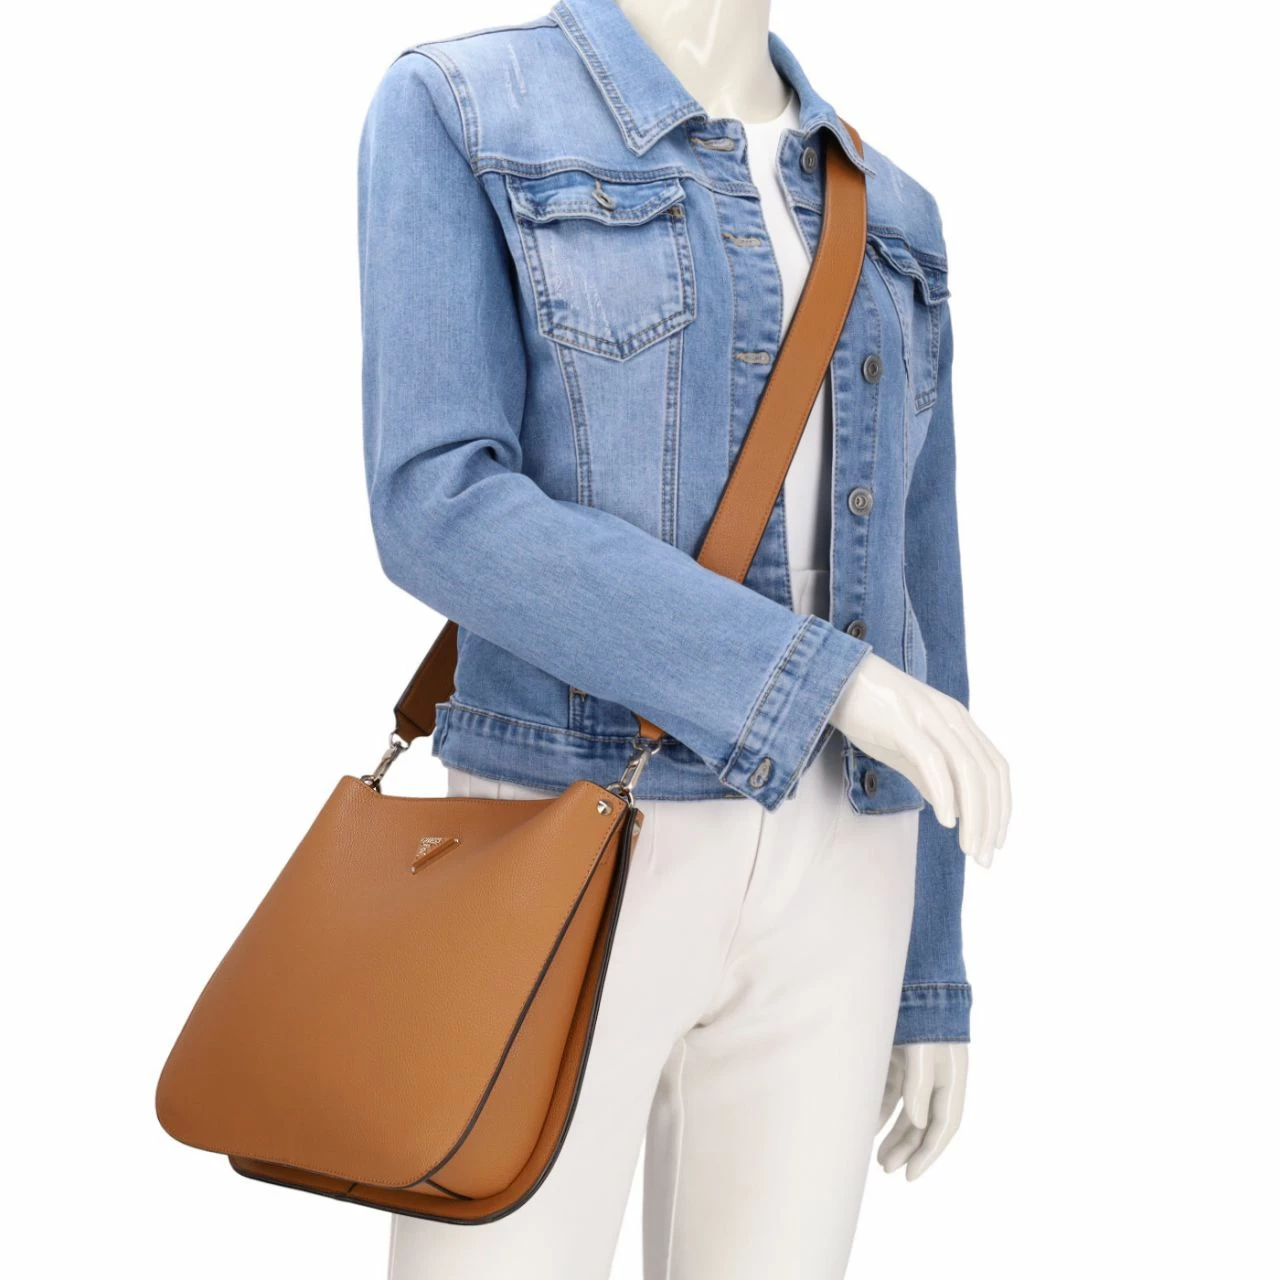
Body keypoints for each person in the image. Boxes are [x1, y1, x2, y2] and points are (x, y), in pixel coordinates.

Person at [357, 1, 1011, 1274]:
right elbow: (435, 504)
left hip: (845, 858)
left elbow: (918, 582)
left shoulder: (892, 209)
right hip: (563, 827)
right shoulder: (465, 110)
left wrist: (928, 964)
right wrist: (821, 681)